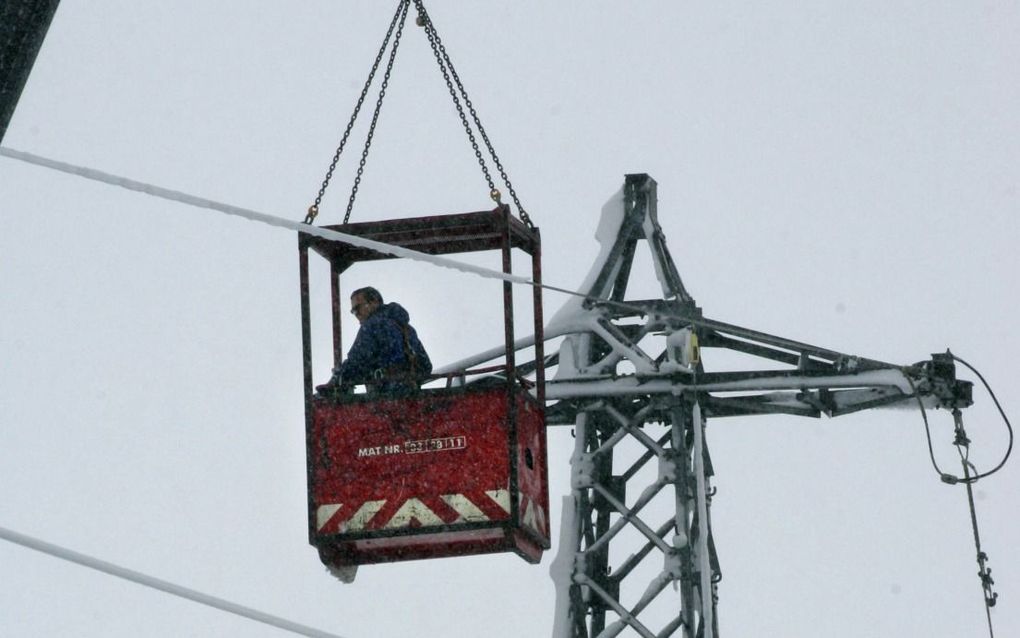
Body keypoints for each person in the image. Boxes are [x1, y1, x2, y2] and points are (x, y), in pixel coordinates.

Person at [315, 286, 432, 397]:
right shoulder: (406, 328)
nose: (357, 314)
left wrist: (337, 379)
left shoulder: (372, 325)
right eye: (353, 312)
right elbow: (426, 365)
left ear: (374, 302)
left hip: (386, 398)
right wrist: (406, 377)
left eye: (358, 308)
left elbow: (357, 362)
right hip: (411, 396)